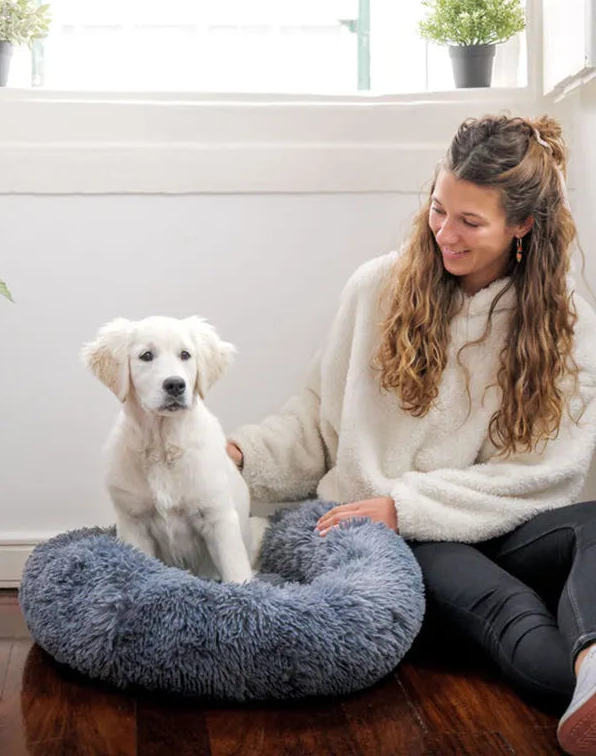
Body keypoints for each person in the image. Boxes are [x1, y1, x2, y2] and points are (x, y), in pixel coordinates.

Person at [226, 114, 596, 756]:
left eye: (470, 222)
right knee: (510, 609)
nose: (445, 233)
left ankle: (593, 666)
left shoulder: (566, 324)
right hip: (399, 534)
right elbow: (318, 418)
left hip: (495, 519)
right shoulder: (378, 289)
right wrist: (239, 454)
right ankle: (580, 691)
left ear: (522, 226)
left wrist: (416, 502)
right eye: (438, 209)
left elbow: (548, 472)